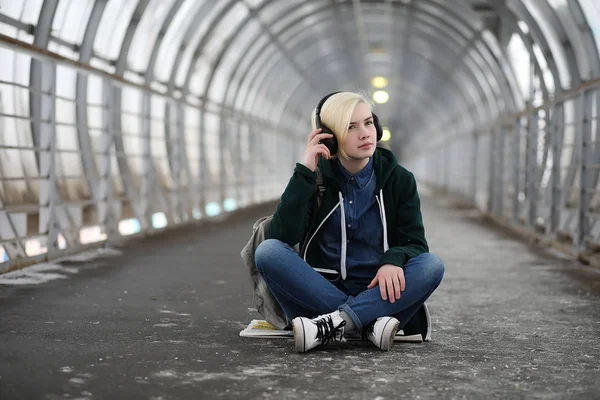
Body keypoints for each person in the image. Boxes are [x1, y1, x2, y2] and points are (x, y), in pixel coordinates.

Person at [254, 91, 444, 353]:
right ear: (329, 139)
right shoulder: (316, 179)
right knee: (268, 251)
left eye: (368, 122)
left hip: (380, 291)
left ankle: (333, 324)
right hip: (320, 292)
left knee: (431, 265)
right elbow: (283, 236)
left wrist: (393, 259)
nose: (365, 133)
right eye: (351, 127)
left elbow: (415, 244)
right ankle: (368, 325)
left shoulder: (400, 179)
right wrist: (304, 172)